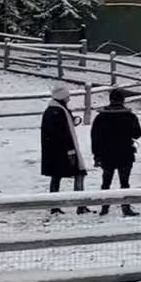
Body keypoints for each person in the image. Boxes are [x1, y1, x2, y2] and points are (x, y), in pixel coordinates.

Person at [89, 88, 141, 216]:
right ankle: (126, 206)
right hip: (125, 152)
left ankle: (105, 206)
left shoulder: (101, 117)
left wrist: (96, 155)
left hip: (106, 153)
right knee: (124, 182)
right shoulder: (129, 116)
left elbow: (95, 137)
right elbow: (138, 134)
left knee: (106, 181)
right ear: (122, 100)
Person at [40, 84, 89, 214]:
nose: (69, 98)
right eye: (67, 96)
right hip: (63, 151)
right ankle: (80, 204)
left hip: (54, 151)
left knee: (56, 177)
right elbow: (63, 133)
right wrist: (70, 150)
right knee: (79, 173)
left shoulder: (52, 111)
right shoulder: (59, 111)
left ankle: (54, 205)